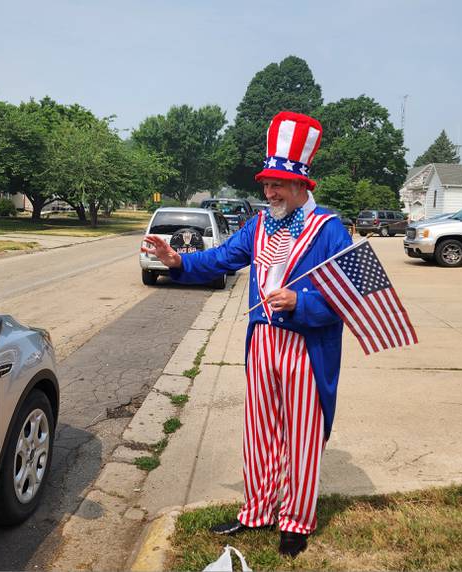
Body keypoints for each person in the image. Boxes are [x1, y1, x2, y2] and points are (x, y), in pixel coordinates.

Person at [142, 111, 353, 558]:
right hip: (261, 343)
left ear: (301, 186)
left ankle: (296, 520)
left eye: (277, 184)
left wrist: (303, 303)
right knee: (258, 431)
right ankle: (257, 510)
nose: (269, 192)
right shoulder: (258, 226)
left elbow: (351, 296)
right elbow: (220, 259)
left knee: (302, 434)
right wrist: (178, 261)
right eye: (266, 184)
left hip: (305, 346)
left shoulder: (330, 229)